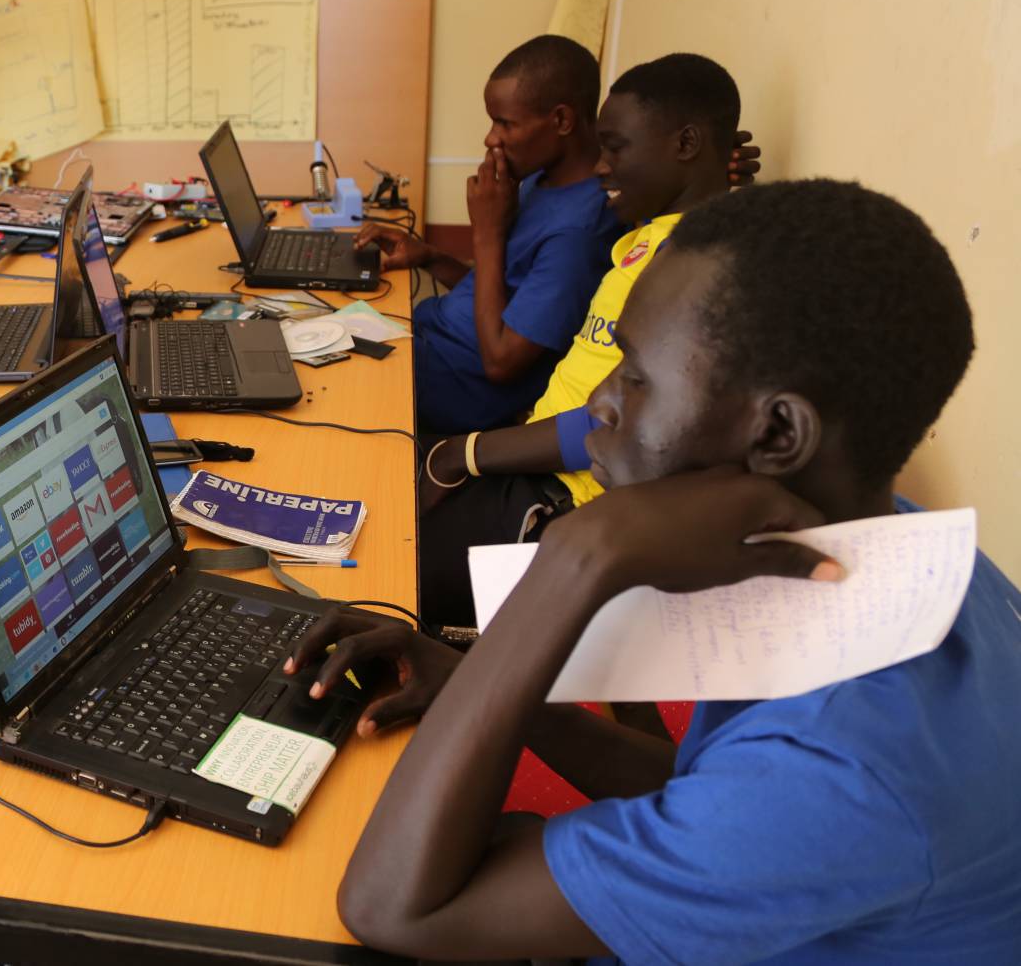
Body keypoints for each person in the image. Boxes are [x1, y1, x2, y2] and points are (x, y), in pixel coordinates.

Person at [290, 180, 1019, 962]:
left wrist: (578, 556)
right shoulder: (911, 553)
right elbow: (714, 789)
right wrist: (481, 685)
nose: (600, 403)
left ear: (778, 434)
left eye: (635, 376)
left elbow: (390, 910)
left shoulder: (848, 763)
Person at [416, 52, 742, 629]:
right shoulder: (651, 235)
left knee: (373, 551)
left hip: (560, 505)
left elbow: (621, 423)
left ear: (686, 144)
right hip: (535, 461)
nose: (600, 167)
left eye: (615, 149)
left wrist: (461, 454)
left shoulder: (693, 269)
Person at [361, 34, 625, 435]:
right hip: (426, 341)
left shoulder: (579, 234)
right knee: (294, 333)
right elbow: (501, 286)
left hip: (451, 388)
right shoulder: (538, 179)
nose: (491, 138)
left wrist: (486, 232)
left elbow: (501, 362)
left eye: (505, 123)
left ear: (561, 121)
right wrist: (430, 256)